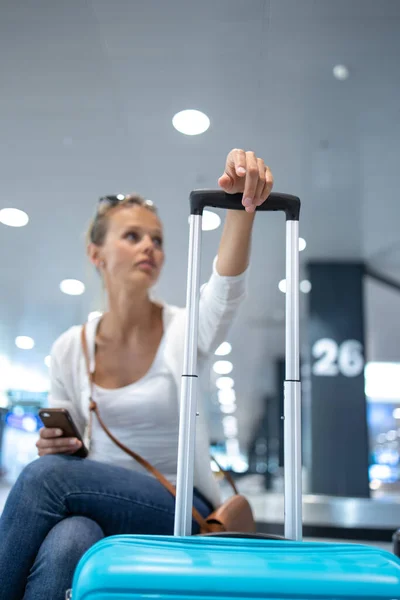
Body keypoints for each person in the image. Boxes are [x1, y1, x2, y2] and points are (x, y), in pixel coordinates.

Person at [0, 148, 274, 600]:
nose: (150, 247)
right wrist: (56, 443)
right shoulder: (71, 347)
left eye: (157, 239)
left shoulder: (183, 330)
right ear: (96, 254)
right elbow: (67, 450)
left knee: (45, 477)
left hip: (181, 505)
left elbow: (226, 291)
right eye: (132, 236)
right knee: (72, 539)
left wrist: (243, 206)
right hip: (93, 499)